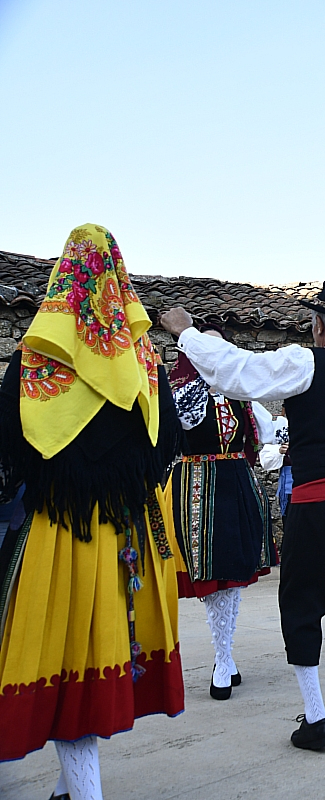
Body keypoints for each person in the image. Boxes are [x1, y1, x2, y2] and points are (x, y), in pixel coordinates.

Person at [161, 281, 325, 750]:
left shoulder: (304, 362)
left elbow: (238, 371)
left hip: (319, 503)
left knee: (302, 601)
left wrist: (187, 334)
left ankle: (317, 718)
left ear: (317, 326)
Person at [0, 225, 185, 794]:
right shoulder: (146, 365)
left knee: (59, 659)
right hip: (127, 538)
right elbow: (165, 448)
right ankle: (70, 785)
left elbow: (10, 450)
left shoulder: (34, 363)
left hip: (58, 533)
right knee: (91, 657)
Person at [169, 326, 279, 700]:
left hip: (235, 483)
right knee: (213, 574)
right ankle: (223, 657)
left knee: (231, 574)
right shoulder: (182, 392)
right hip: (196, 487)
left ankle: (224, 657)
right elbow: (180, 423)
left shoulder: (239, 396)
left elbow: (267, 434)